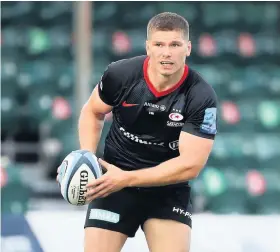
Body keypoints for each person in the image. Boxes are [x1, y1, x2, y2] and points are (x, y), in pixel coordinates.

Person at [77, 12, 217, 252]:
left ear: (188, 48)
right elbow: (92, 112)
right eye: (159, 44)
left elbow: (190, 165)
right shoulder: (120, 75)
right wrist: (86, 157)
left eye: (175, 44)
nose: (167, 52)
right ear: (148, 47)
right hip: (113, 183)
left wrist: (128, 178)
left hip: (167, 188)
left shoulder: (200, 96)